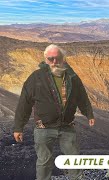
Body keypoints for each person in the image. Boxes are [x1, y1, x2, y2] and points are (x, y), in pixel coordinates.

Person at [13, 44, 95, 180]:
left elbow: (82, 97)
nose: (54, 62)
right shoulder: (35, 78)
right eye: (50, 59)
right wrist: (18, 127)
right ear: (45, 60)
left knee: (74, 161)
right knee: (44, 162)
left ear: (63, 58)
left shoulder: (72, 77)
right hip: (43, 128)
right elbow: (24, 104)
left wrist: (89, 114)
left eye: (57, 58)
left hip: (67, 126)